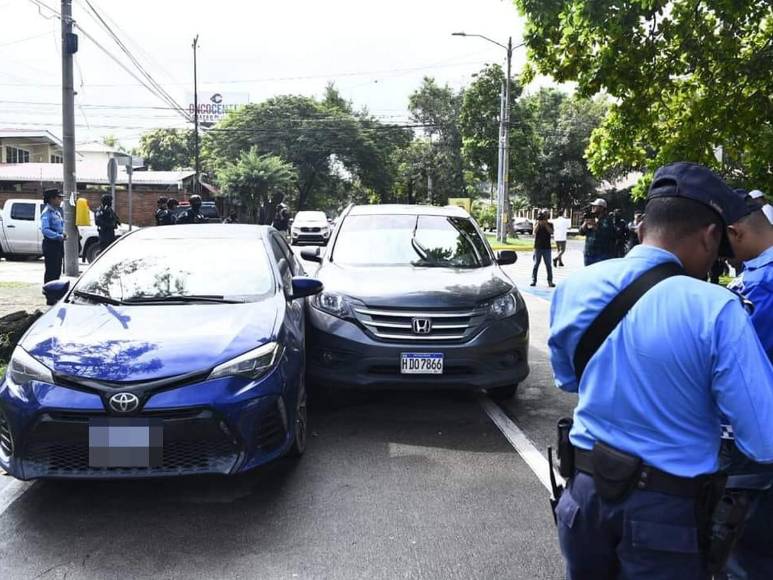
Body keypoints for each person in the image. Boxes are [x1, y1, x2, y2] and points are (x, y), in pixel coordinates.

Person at [549, 162, 773, 579]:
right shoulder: (716, 308)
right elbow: (763, 439)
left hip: (584, 497)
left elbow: (568, 379)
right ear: (710, 236)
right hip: (666, 514)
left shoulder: (576, 287)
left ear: (641, 230)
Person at [720, 189, 773, 579]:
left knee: (741, 556)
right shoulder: (756, 275)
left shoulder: (761, 285)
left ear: (736, 233)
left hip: (754, 447)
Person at [579, 198, 616, 266]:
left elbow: (608, 234)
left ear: (601, 208)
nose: (592, 208)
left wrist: (596, 226)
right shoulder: (590, 217)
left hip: (601, 254)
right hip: (589, 253)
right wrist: (585, 222)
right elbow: (581, 232)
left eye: (595, 206)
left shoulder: (608, 219)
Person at [40, 189, 66, 284]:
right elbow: (45, 230)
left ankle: (55, 292)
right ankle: (49, 292)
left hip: (57, 245)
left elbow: (59, 227)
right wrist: (58, 236)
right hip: (50, 245)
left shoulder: (56, 212)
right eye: (58, 198)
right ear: (52, 199)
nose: (60, 200)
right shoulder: (47, 213)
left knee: (57, 271)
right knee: (51, 271)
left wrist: (62, 234)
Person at [531, 212, 555, 287]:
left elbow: (551, 232)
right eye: (540, 219)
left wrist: (545, 224)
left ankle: (550, 281)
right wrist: (538, 223)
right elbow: (534, 232)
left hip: (547, 248)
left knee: (548, 265)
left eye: (543, 219)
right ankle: (534, 280)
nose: (541, 220)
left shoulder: (550, 224)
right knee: (536, 265)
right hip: (538, 247)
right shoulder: (536, 224)